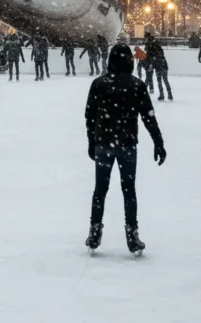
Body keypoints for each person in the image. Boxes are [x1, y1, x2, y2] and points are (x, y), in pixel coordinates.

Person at [84, 44, 166, 255]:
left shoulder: (99, 84)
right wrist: (158, 142)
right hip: (127, 145)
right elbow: (148, 116)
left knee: (100, 189)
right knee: (128, 189)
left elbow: (90, 116)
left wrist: (92, 142)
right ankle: (132, 234)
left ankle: (94, 231)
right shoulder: (136, 85)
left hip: (104, 143)